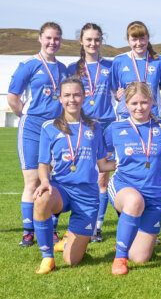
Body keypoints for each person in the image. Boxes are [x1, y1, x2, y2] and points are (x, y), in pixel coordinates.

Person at [32, 77, 114, 274]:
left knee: (72, 261)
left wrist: (127, 164)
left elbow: (103, 164)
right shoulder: (49, 127)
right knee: (42, 199)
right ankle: (47, 257)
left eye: (77, 94)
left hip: (87, 195)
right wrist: (44, 181)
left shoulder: (94, 127)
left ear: (84, 96)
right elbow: (43, 163)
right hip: (61, 189)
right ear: (59, 98)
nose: (72, 99)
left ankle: (70, 242)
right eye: (67, 95)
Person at [7, 22, 67, 247]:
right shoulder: (29, 65)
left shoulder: (63, 68)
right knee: (32, 181)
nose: (53, 43)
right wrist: (26, 116)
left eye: (57, 39)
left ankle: (49, 229)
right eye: (49, 38)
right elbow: (13, 97)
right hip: (32, 128)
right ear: (40, 39)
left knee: (51, 180)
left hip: (54, 129)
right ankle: (28, 231)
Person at [105, 82, 161, 275]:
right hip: (124, 187)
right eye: (134, 103)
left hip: (154, 196)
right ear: (126, 103)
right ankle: (119, 258)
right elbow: (102, 158)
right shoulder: (115, 128)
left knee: (140, 258)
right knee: (134, 201)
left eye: (144, 102)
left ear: (152, 102)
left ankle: (130, 233)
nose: (139, 107)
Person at [66, 23, 116, 243]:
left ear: (101, 41)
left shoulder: (111, 66)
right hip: (82, 127)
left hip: (106, 125)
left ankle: (96, 227)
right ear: (81, 41)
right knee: (83, 175)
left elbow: (119, 91)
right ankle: (77, 224)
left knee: (103, 178)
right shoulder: (72, 69)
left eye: (97, 39)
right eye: (89, 40)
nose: (93, 43)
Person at [111, 21, 161, 119]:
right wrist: (117, 95)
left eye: (142, 39)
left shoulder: (159, 61)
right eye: (134, 39)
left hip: (153, 114)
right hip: (126, 115)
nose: (138, 43)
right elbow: (114, 90)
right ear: (128, 40)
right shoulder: (119, 61)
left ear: (148, 38)